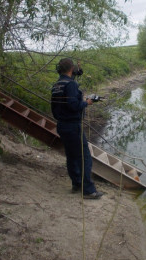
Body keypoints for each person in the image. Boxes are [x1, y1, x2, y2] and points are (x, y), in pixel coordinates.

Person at [51, 58, 104, 200]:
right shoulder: (71, 85)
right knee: (85, 157)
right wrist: (86, 102)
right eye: (74, 69)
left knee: (72, 156)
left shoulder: (57, 85)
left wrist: (78, 71)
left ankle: (77, 184)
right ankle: (88, 191)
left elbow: (58, 106)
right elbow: (74, 106)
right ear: (71, 69)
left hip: (61, 125)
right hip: (73, 125)